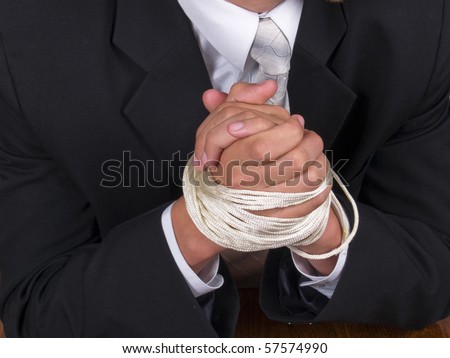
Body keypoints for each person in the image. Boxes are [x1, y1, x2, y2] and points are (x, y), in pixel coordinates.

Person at [0, 0, 449, 338]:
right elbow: (34, 309)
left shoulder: (425, 22)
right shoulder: (26, 38)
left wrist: (316, 220)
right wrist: (212, 217)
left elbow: (437, 267)